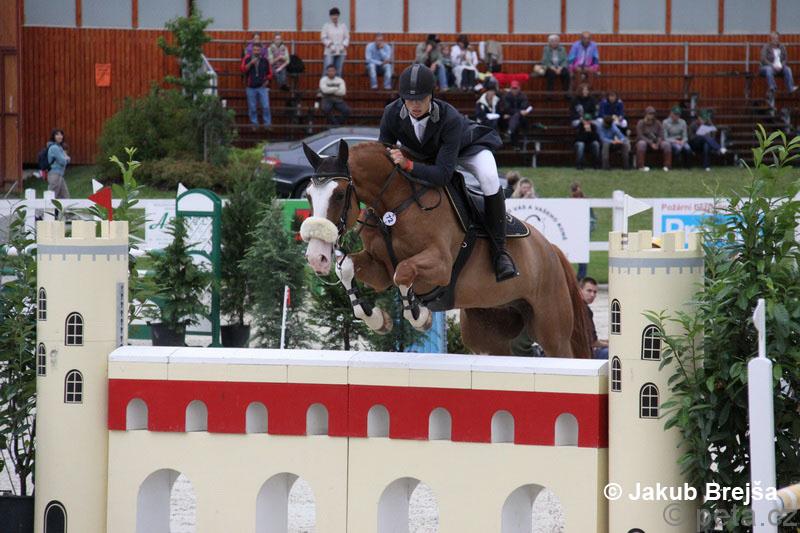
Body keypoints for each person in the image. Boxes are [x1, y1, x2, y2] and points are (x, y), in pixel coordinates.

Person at [380, 64, 517, 281]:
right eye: (409, 99)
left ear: (431, 95)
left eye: (421, 99)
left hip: (465, 148)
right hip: (428, 154)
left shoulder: (449, 117)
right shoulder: (391, 113)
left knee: (490, 178)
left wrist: (408, 165)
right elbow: (383, 154)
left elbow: (443, 175)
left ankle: (500, 252)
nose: (415, 105)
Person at [240, 42, 271, 129]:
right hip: (251, 87)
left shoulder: (265, 60)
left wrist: (267, 80)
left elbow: (269, 73)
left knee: (266, 106)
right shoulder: (247, 59)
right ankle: (254, 124)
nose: (256, 51)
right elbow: (243, 69)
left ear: (261, 51)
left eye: (258, 50)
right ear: (252, 50)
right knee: (252, 108)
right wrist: (251, 63)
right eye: (255, 50)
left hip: (262, 87)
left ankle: (267, 125)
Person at [760, 32, 797, 98]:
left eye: (776, 38)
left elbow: (785, 59)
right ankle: (772, 87)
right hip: (766, 67)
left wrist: (781, 66)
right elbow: (763, 59)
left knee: (788, 69)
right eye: (773, 38)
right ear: (770, 39)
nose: (775, 40)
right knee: (769, 69)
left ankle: (790, 88)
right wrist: (773, 66)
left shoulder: (782, 47)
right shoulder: (766, 47)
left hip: (780, 67)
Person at [570, 182, 595, 281]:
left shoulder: (586, 201)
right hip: (572, 231)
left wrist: (588, 228)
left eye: (576, 189)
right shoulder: (569, 202)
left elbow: (592, 218)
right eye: (574, 190)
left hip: (583, 231)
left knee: (582, 254)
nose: (575, 192)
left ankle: (581, 276)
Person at [580, 277, 608, 359]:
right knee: (613, 352)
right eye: (589, 291)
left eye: (595, 292)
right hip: (583, 356)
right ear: (580, 290)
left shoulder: (578, 306)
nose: (592, 295)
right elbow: (593, 342)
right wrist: (609, 344)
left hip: (578, 351)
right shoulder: (584, 310)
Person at [635, 106, 671, 172]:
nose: (651, 115)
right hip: (645, 142)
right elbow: (640, 136)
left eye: (653, 114)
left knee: (666, 144)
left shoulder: (658, 123)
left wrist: (657, 144)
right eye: (649, 113)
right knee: (641, 144)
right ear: (646, 114)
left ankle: (667, 166)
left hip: (656, 142)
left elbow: (661, 135)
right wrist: (650, 143)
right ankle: (641, 166)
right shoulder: (641, 123)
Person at [501, 80, 532, 148]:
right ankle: (516, 145)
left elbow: (524, 107)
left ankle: (510, 132)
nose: (514, 90)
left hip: (520, 118)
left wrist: (514, 113)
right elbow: (507, 109)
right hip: (509, 119)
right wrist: (519, 112)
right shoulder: (506, 96)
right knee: (516, 122)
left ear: (519, 88)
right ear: (510, 88)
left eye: (516, 88)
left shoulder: (523, 96)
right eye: (513, 88)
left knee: (516, 118)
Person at [321, 7, 349, 76]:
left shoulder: (343, 25)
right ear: (330, 16)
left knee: (338, 71)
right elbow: (323, 38)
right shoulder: (326, 26)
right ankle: (324, 83)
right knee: (327, 70)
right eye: (333, 15)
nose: (334, 17)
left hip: (341, 51)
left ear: (338, 15)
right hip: (330, 51)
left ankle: (338, 83)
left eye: (336, 15)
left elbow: (347, 37)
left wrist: (343, 45)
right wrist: (330, 45)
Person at [46, 129, 70, 199]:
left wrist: (66, 159)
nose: (60, 136)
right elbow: (63, 161)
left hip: (60, 175)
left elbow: (66, 159)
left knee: (65, 197)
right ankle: (44, 207)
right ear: (53, 136)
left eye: (61, 134)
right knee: (51, 197)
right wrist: (66, 159)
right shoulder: (54, 148)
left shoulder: (59, 147)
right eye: (57, 134)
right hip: (54, 175)